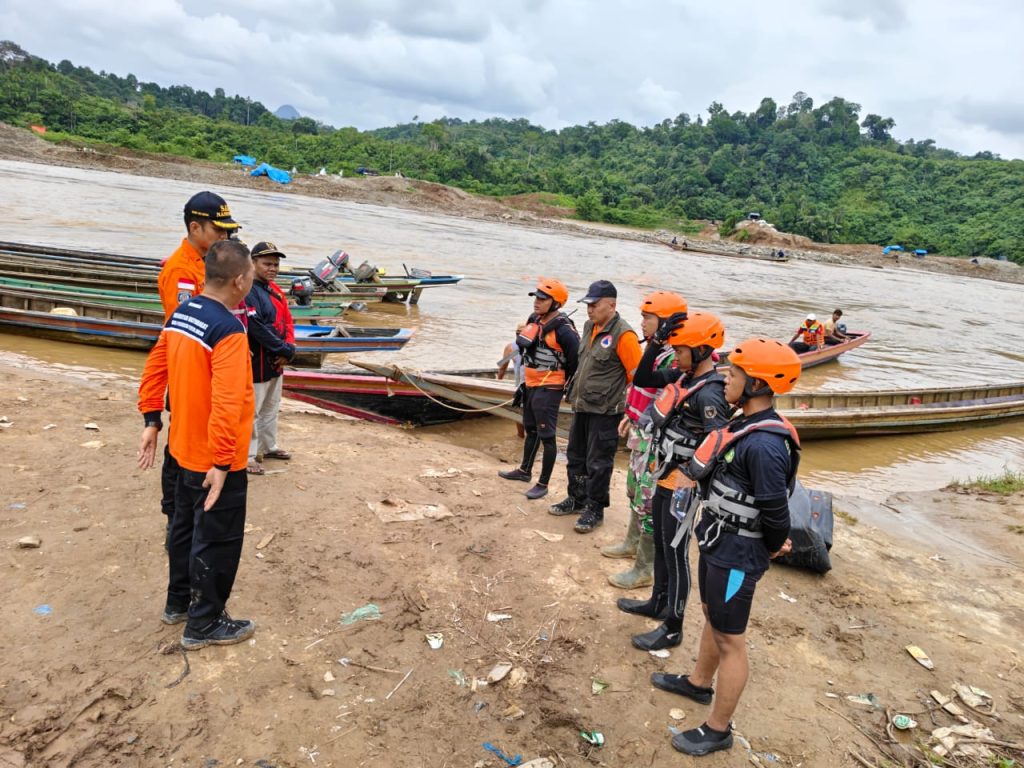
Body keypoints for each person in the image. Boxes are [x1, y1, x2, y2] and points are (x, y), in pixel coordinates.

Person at [650, 338, 801, 757]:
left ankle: (719, 729)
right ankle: (698, 683)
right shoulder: (741, 426)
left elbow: (776, 512)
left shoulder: (766, 446)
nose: (726, 379)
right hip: (719, 539)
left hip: (739, 553)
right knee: (713, 617)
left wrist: (770, 547)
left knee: (731, 637)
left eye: (734, 375)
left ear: (756, 384)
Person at [137, 240, 258, 650]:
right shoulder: (229, 329)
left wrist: (152, 418)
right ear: (240, 281)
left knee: (184, 530)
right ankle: (204, 623)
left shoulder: (182, 313)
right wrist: (224, 462)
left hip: (181, 448)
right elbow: (228, 403)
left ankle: (178, 603)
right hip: (213, 459)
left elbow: (156, 365)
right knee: (217, 540)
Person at [618, 313, 730, 653]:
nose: (676, 356)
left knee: (676, 552)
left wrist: (697, 485)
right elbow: (643, 375)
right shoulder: (684, 379)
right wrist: (655, 342)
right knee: (664, 546)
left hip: (683, 486)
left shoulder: (709, 395)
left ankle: (673, 626)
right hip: (664, 477)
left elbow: (717, 446)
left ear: (699, 352)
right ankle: (657, 602)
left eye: (681, 350)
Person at [154, 192, 242, 540]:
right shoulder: (180, 270)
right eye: (219, 231)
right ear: (195, 227)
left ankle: (189, 502)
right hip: (189, 368)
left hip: (208, 363)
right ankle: (173, 511)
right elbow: (183, 324)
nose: (225, 238)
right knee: (180, 442)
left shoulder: (210, 263)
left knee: (200, 435)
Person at [602, 291, 688, 591]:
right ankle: (631, 542)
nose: (642, 323)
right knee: (635, 490)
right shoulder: (657, 349)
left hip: (657, 441)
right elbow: (642, 390)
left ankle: (644, 567)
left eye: (648, 318)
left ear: (666, 322)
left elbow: (659, 392)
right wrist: (631, 414)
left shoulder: (677, 356)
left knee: (649, 501)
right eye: (642, 317)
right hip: (641, 432)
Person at [549, 280, 642, 533]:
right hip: (582, 404)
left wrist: (631, 412)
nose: (589, 310)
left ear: (611, 305)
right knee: (575, 456)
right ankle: (576, 498)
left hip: (605, 410)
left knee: (598, 462)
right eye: (587, 305)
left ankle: (595, 508)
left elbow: (638, 378)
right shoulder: (590, 326)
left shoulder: (625, 335)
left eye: (594, 305)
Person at [498, 279, 580, 500]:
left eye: (542, 299)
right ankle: (524, 471)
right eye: (536, 297)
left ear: (556, 303)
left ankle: (542, 484)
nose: (537, 302)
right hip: (531, 384)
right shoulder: (534, 320)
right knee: (530, 428)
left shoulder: (564, 330)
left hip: (549, 387)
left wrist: (566, 387)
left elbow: (575, 360)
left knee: (547, 435)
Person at [245, 242, 297, 475]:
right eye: (267, 264)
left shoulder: (274, 289)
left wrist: (289, 348)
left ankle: (268, 445)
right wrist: (284, 349)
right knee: (251, 411)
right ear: (253, 263)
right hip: (257, 361)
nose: (273, 268)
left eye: (276, 264)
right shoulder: (248, 291)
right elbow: (257, 328)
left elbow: (287, 320)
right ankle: (247, 455)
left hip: (276, 361)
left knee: (271, 407)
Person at [497, 324, 527, 439]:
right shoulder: (531, 346)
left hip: (520, 385)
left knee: (518, 411)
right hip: (527, 385)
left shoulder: (511, 348)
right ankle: (523, 437)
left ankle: (520, 436)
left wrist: (498, 380)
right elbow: (502, 366)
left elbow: (502, 366)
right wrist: (498, 382)